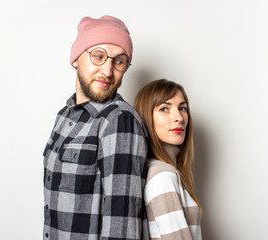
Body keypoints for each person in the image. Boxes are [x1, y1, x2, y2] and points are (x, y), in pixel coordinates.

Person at [42, 16, 148, 240]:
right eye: (98, 56)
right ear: (76, 59)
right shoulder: (65, 114)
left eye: (119, 62)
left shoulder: (119, 120)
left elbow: (122, 226)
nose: (108, 71)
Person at [134, 79, 202, 239]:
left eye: (182, 108)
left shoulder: (158, 170)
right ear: (146, 117)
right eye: (164, 108)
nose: (179, 117)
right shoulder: (163, 175)